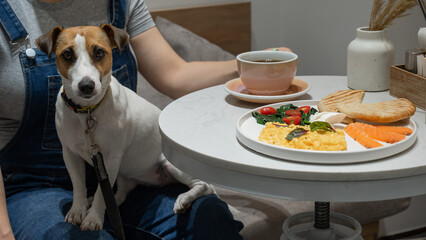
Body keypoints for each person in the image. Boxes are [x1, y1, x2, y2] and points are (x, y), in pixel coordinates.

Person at [0, 0, 290, 239]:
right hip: (37, 185)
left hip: (128, 173)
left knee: (211, 224)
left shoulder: (121, 4)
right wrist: (3, 232)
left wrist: (252, 63)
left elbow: (175, 74)